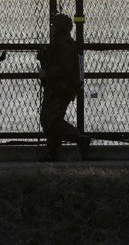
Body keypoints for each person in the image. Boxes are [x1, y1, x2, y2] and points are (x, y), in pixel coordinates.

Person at [37, 13, 90, 161]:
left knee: (51, 121)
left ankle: (80, 139)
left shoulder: (65, 45)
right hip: (56, 87)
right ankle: (53, 153)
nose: (52, 28)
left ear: (60, 28)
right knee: (49, 120)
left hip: (61, 88)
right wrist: (44, 59)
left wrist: (47, 72)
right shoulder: (60, 43)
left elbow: (64, 68)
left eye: (54, 25)